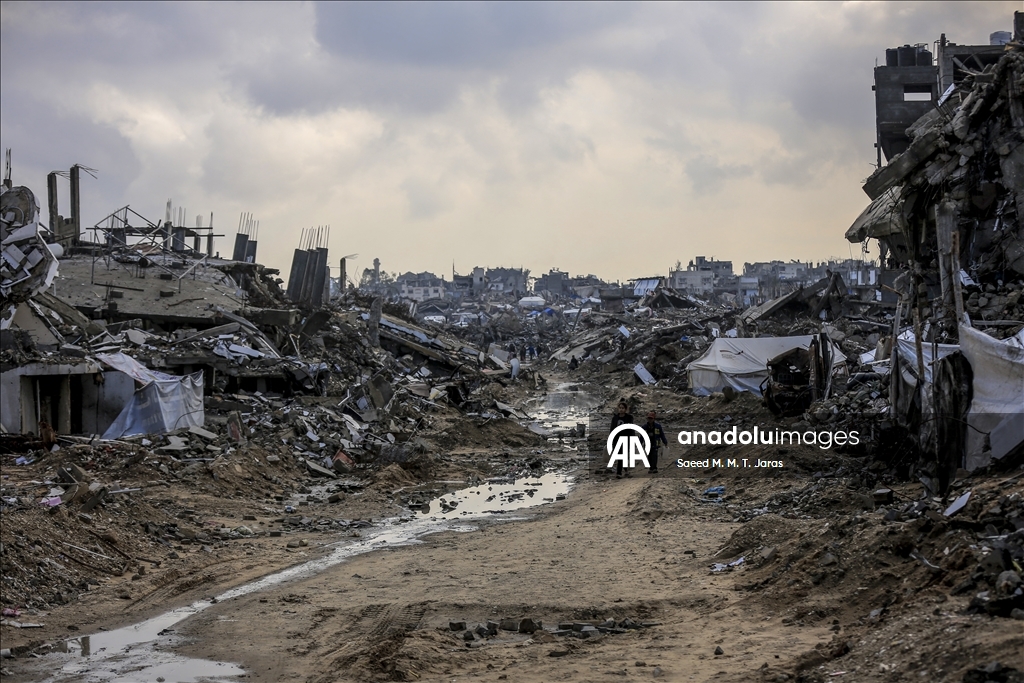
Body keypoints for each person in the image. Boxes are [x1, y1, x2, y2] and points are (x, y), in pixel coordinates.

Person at [610, 401, 633, 478]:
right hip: (617, 439)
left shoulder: (629, 418)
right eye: (620, 408)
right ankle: (619, 472)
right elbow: (612, 429)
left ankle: (625, 470)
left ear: (625, 409)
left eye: (623, 408)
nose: (621, 409)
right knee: (620, 455)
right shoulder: (615, 418)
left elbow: (631, 429)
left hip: (626, 439)